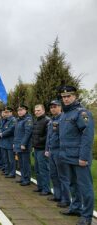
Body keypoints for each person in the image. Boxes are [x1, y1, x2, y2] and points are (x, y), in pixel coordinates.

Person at [58, 86, 94, 225]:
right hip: (68, 156)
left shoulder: (82, 113)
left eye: (69, 96)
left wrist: (84, 157)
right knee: (73, 184)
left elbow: (87, 136)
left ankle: (87, 216)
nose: (66, 99)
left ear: (75, 96)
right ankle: (76, 207)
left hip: (79, 158)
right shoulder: (65, 114)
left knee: (85, 187)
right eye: (63, 97)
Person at [45, 100, 70, 207]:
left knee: (63, 176)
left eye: (55, 106)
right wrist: (47, 149)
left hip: (60, 151)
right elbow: (49, 136)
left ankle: (66, 199)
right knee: (53, 174)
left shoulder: (64, 119)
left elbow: (65, 136)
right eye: (51, 107)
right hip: (52, 151)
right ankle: (57, 195)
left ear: (60, 107)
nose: (53, 109)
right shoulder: (51, 121)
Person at [32, 104, 51, 195]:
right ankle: (40, 186)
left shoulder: (47, 121)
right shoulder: (36, 121)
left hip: (43, 149)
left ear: (43, 110)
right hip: (36, 148)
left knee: (43, 169)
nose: (36, 112)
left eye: (38, 110)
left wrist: (39, 141)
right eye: (35, 111)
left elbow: (48, 136)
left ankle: (46, 189)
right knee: (37, 169)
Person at [13, 105, 33, 186]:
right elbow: (16, 133)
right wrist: (14, 143)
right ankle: (23, 177)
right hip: (18, 145)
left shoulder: (28, 120)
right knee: (21, 163)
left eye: (21, 110)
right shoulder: (18, 120)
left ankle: (27, 179)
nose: (20, 112)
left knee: (25, 163)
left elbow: (28, 132)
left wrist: (23, 143)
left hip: (24, 145)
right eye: (18, 110)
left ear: (26, 110)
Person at [0, 107, 16, 178]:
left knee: (11, 159)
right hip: (3, 142)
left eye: (8, 112)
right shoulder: (4, 120)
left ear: (11, 113)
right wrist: (0, 132)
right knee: (5, 158)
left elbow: (11, 129)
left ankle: (12, 173)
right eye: (5, 112)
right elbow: (0, 128)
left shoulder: (13, 120)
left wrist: (2, 134)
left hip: (9, 142)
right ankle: (7, 171)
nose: (6, 113)